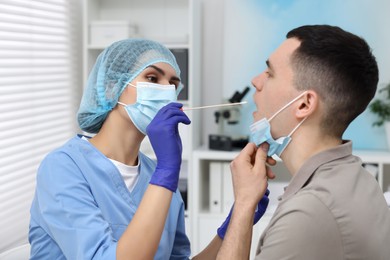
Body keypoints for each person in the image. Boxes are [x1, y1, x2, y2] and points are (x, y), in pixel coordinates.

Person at [28, 38, 270, 259]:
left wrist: (235, 222)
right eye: (153, 79)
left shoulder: (160, 179)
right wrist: (166, 172)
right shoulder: (63, 168)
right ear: (112, 88)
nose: (167, 91)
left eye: (173, 84)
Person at [216, 25, 390, 260]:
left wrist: (244, 204)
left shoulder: (310, 212)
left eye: (269, 73)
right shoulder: (360, 179)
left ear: (304, 104)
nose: (256, 81)